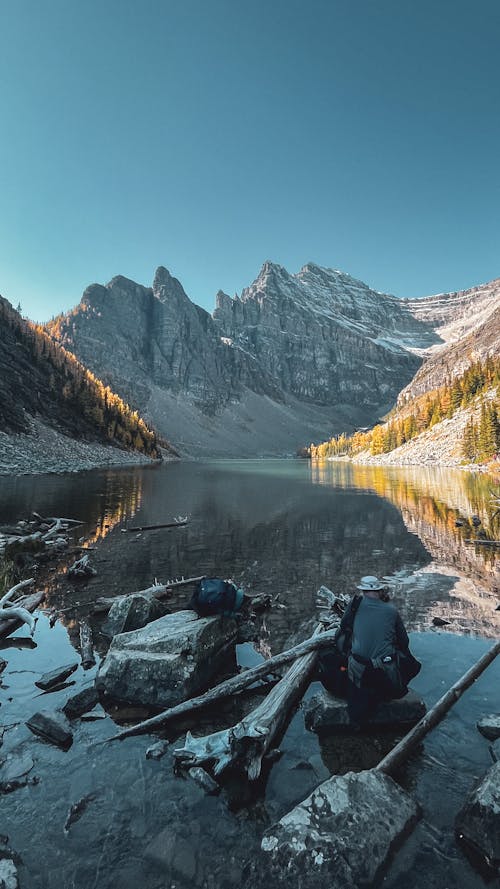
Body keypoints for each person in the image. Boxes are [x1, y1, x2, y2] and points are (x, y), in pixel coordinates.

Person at [318, 575, 420, 727]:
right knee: (408, 661)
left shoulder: (355, 605)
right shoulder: (391, 611)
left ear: (363, 591)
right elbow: (404, 642)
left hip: (359, 668)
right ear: (379, 591)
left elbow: (344, 627)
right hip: (385, 670)